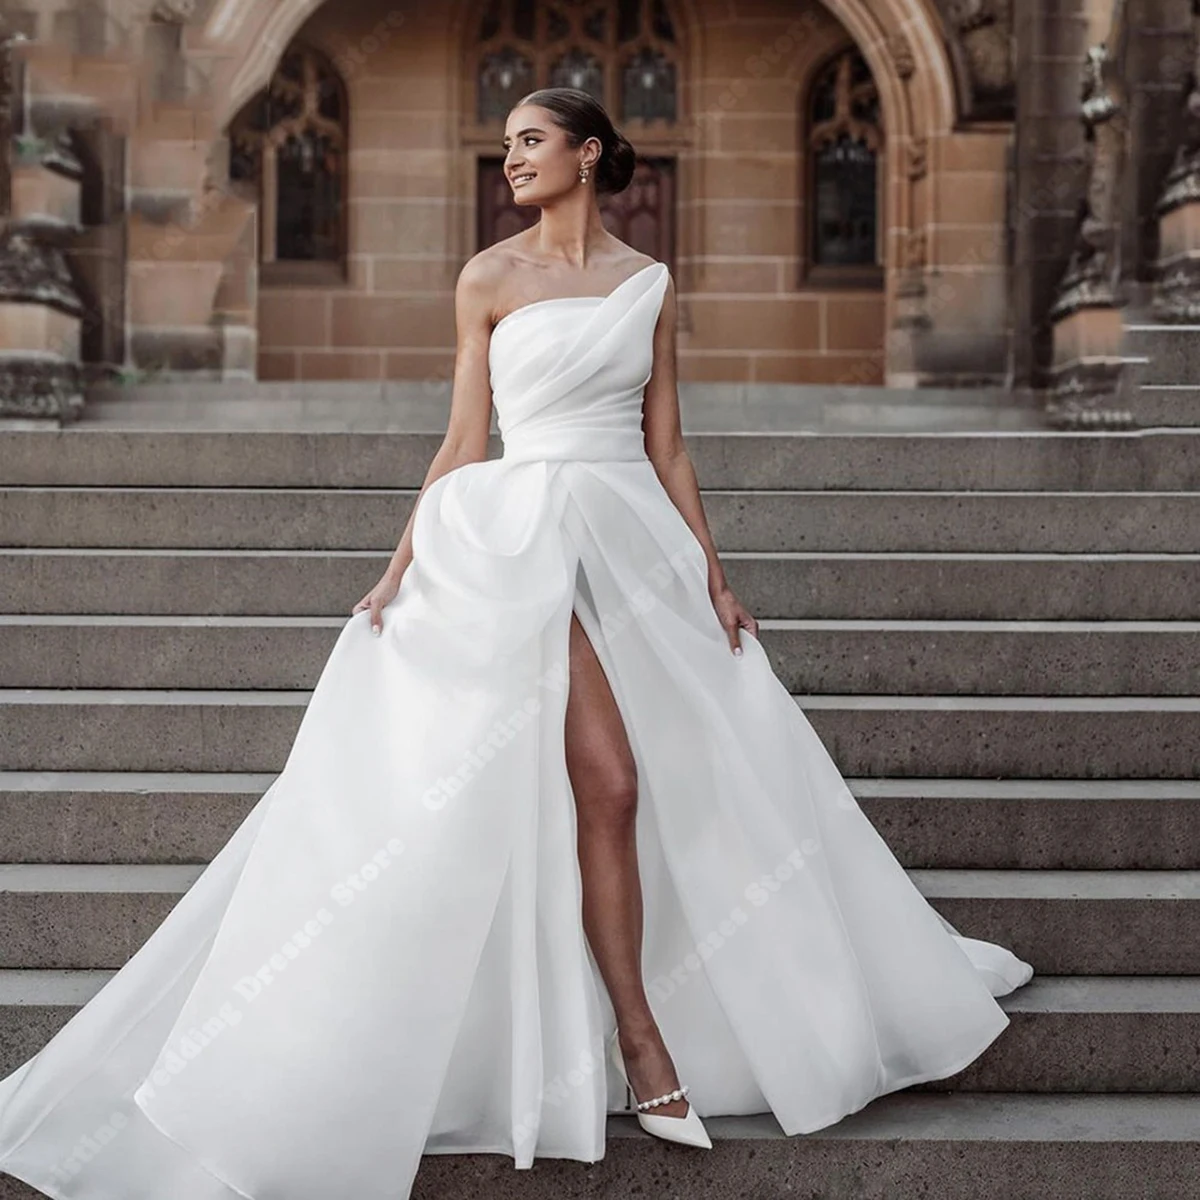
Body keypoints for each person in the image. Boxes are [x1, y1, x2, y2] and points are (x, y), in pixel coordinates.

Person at [0, 87, 1033, 1200]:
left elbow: (669, 442)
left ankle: (643, 1025)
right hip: (517, 541)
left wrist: (714, 575)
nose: (513, 163)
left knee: (668, 782)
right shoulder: (486, 278)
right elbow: (461, 438)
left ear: (590, 154)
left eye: (532, 143)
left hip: (630, 539)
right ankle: (641, 1047)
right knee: (612, 781)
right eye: (504, 148)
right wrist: (400, 565)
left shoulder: (648, 283)